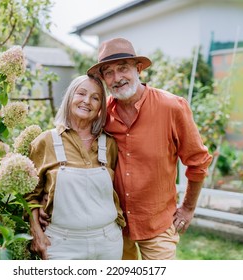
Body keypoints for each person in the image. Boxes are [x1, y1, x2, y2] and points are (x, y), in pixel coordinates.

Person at [84, 37, 213, 260]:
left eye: (123, 68)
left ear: (138, 69)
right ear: (103, 79)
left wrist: (188, 208)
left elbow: (198, 162)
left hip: (157, 224)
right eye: (109, 72)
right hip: (113, 225)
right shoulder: (101, 114)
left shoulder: (172, 107)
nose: (117, 78)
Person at [25, 74, 125, 260]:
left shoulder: (109, 144)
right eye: (81, 93)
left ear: (101, 108)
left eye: (96, 98)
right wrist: (37, 234)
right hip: (61, 244)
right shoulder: (46, 142)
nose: (87, 101)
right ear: (70, 97)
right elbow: (30, 196)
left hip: (108, 242)